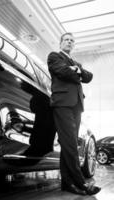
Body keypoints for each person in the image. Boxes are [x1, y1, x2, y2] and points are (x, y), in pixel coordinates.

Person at [47, 32, 101, 195]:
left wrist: (76, 69)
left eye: (72, 41)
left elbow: (89, 77)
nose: (69, 42)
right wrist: (75, 72)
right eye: (66, 40)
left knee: (68, 144)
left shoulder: (75, 62)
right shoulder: (54, 56)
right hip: (62, 104)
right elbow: (63, 72)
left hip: (77, 106)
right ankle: (81, 182)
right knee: (70, 142)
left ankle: (67, 183)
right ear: (60, 43)